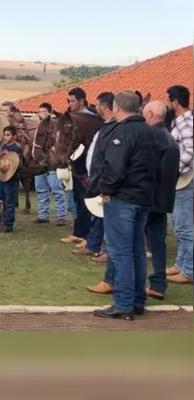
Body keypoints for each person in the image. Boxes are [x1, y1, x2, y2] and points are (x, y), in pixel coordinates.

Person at [88, 100, 179, 300]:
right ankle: (157, 285)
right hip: (158, 199)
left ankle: (117, 288)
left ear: (151, 114)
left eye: (146, 113)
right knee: (153, 245)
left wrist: (106, 189)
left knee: (123, 247)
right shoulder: (169, 139)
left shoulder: (145, 135)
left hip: (139, 198)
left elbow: (123, 167)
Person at [87, 91, 158, 320]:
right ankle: (137, 300)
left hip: (122, 198)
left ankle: (124, 303)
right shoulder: (149, 131)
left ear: (116, 107)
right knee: (137, 251)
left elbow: (115, 167)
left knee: (120, 253)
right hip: (143, 197)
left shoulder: (122, 131)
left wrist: (106, 190)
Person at [73, 92, 116, 259]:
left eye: (98, 105)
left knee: (106, 214)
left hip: (106, 178)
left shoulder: (113, 127)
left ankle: (104, 249)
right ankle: (93, 244)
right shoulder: (105, 125)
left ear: (105, 106)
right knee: (99, 214)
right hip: (97, 177)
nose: (95, 107)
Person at [62, 86, 99, 246]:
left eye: (72, 101)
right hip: (76, 160)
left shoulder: (91, 118)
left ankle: (88, 235)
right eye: (68, 101)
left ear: (82, 101)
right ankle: (78, 232)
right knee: (77, 198)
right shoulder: (71, 117)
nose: (70, 104)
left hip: (87, 161)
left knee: (86, 198)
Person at [166, 84, 193, 285]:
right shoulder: (180, 122)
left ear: (175, 102)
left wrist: (174, 171)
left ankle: (189, 270)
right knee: (179, 225)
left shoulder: (186, 124)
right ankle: (181, 264)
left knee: (185, 228)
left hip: (185, 181)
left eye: (169, 100)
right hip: (181, 181)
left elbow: (189, 152)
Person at [33, 102, 68, 226]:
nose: (40, 114)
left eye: (43, 111)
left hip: (52, 161)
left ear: (49, 112)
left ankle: (61, 216)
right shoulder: (38, 126)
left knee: (57, 189)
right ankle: (43, 215)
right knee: (41, 188)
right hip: (40, 160)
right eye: (39, 111)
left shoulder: (55, 126)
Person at [0, 125, 24, 232]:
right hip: (1, 175)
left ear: (14, 136)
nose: (5, 137)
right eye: (4, 135)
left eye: (8, 135)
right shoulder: (4, 147)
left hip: (12, 178)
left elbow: (18, 164)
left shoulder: (17, 149)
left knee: (9, 202)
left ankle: (8, 225)